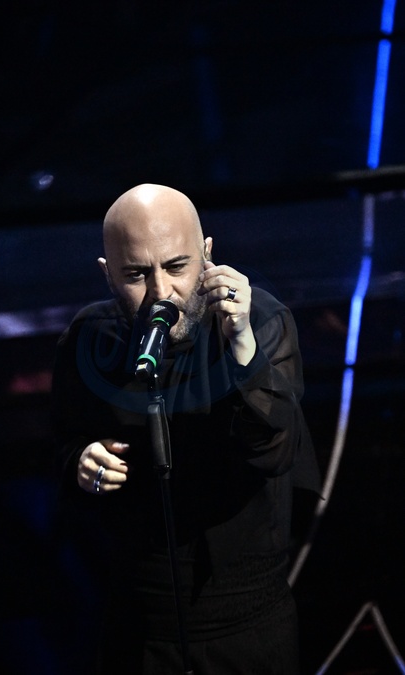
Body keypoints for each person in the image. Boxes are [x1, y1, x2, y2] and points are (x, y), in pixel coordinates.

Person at [51, 183, 320, 674]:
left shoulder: (262, 320)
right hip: (139, 622)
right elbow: (61, 446)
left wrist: (241, 344)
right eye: (136, 274)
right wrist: (81, 461)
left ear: (207, 254)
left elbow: (276, 449)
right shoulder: (89, 339)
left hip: (246, 620)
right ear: (107, 274)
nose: (161, 291)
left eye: (177, 266)